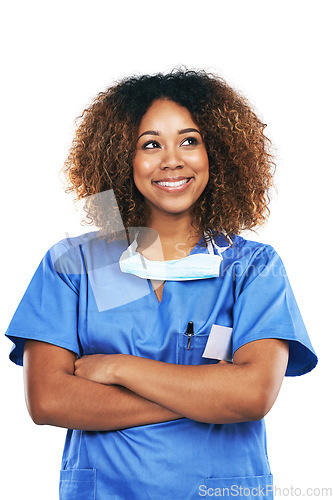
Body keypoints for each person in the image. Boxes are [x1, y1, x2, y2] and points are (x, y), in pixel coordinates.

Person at [5, 69, 317, 500]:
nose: (172, 159)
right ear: (121, 158)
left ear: (218, 155)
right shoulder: (74, 263)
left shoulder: (253, 267)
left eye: (190, 141)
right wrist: (204, 395)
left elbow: (252, 396)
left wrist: (120, 369)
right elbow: (49, 400)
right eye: (150, 144)